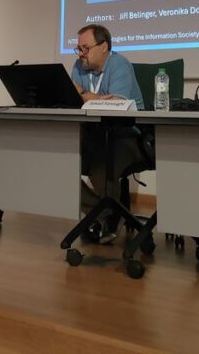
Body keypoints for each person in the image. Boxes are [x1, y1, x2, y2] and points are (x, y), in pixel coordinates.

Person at [70, 24, 145, 243]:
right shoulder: (79, 66)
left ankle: (109, 215)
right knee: (61, 164)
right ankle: (104, 213)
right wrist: (92, 98)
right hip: (95, 135)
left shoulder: (120, 65)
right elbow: (74, 103)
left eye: (85, 48)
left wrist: (82, 92)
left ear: (103, 47)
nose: (80, 54)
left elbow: (115, 106)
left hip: (128, 136)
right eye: (78, 48)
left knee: (100, 169)